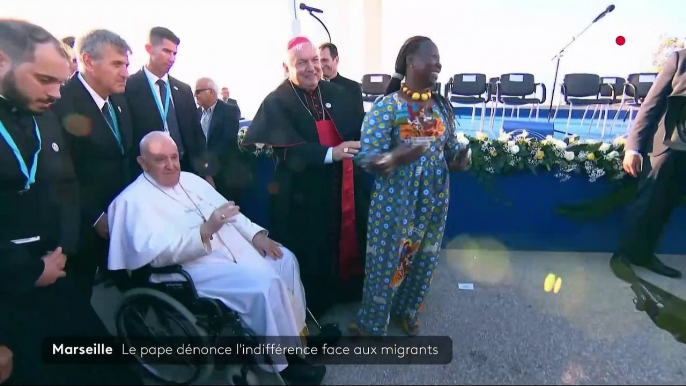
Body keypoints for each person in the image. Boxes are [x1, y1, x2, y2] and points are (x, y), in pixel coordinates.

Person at [107, 131, 326, 385]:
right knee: (265, 285)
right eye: (160, 160)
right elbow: (156, 255)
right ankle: (284, 366)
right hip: (192, 268)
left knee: (284, 259)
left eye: (174, 157)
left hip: (232, 247)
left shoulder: (190, 179)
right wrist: (204, 231)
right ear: (142, 163)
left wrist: (256, 236)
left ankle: (296, 340)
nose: (171, 165)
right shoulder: (132, 201)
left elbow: (229, 212)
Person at [0, 18, 141, 385]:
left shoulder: (42, 116)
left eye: (60, 82)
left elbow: (65, 183)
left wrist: (64, 250)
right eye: (45, 80)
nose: (57, 94)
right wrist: (30, 270)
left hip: (58, 275)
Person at [349, 36, 471, 337]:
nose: (438, 63)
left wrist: (458, 160)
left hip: (434, 196)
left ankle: (408, 310)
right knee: (388, 259)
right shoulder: (386, 107)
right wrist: (397, 156)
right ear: (411, 61)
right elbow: (365, 158)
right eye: (432, 57)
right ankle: (372, 322)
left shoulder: (441, 106)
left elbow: (448, 147)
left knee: (424, 256)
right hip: (396, 199)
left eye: (439, 58)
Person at [241, 36, 370, 318]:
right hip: (301, 193)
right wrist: (330, 154)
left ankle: (345, 291)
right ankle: (312, 305)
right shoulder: (276, 101)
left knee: (343, 236)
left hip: (340, 185)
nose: (311, 67)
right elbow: (285, 152)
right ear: (287, 67)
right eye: (301, 62)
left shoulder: (338, 93)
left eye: (315, 60)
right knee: (311, 246)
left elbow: (358, 132)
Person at [51, 29, 135, 298]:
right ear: (88, 61)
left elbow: (124, 156)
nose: (125, 72)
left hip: (121, 218)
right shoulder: (60, 103)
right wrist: (94, 216)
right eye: (117, 64)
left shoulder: (120, 100)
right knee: (78, 301)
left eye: (126, 65)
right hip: (83, 227)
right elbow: (61, 173)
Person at [610, 49, 686, 280]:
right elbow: (651, 104)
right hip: (668, 143)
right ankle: (626, 255)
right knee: (649, 202)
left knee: (667, 205)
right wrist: (632, 148)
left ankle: (644, 254)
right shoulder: (679, 59)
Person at [124, 27, 210, 181]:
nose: (171, 58)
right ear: (149, 49)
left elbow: (197, 135)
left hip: (187, 171)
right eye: (166, 51)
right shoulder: (128, 87)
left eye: (174, 53)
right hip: (148, 175)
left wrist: (206, 173)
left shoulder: (183, 89)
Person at [195, 77, 249, 204]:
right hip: (202, 173)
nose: (195, 95)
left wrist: (209, 169)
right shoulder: (196, 113)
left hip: (225, 173)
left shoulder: (229, 110)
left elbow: (227, 141)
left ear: (211, 92)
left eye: (198, 92)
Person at [319, 42, 364, 120]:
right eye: (318, 61)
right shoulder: (313, 88)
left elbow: (358, 119)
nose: (321, 65)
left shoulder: (352, 88)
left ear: (336, 60)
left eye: (325, 60)